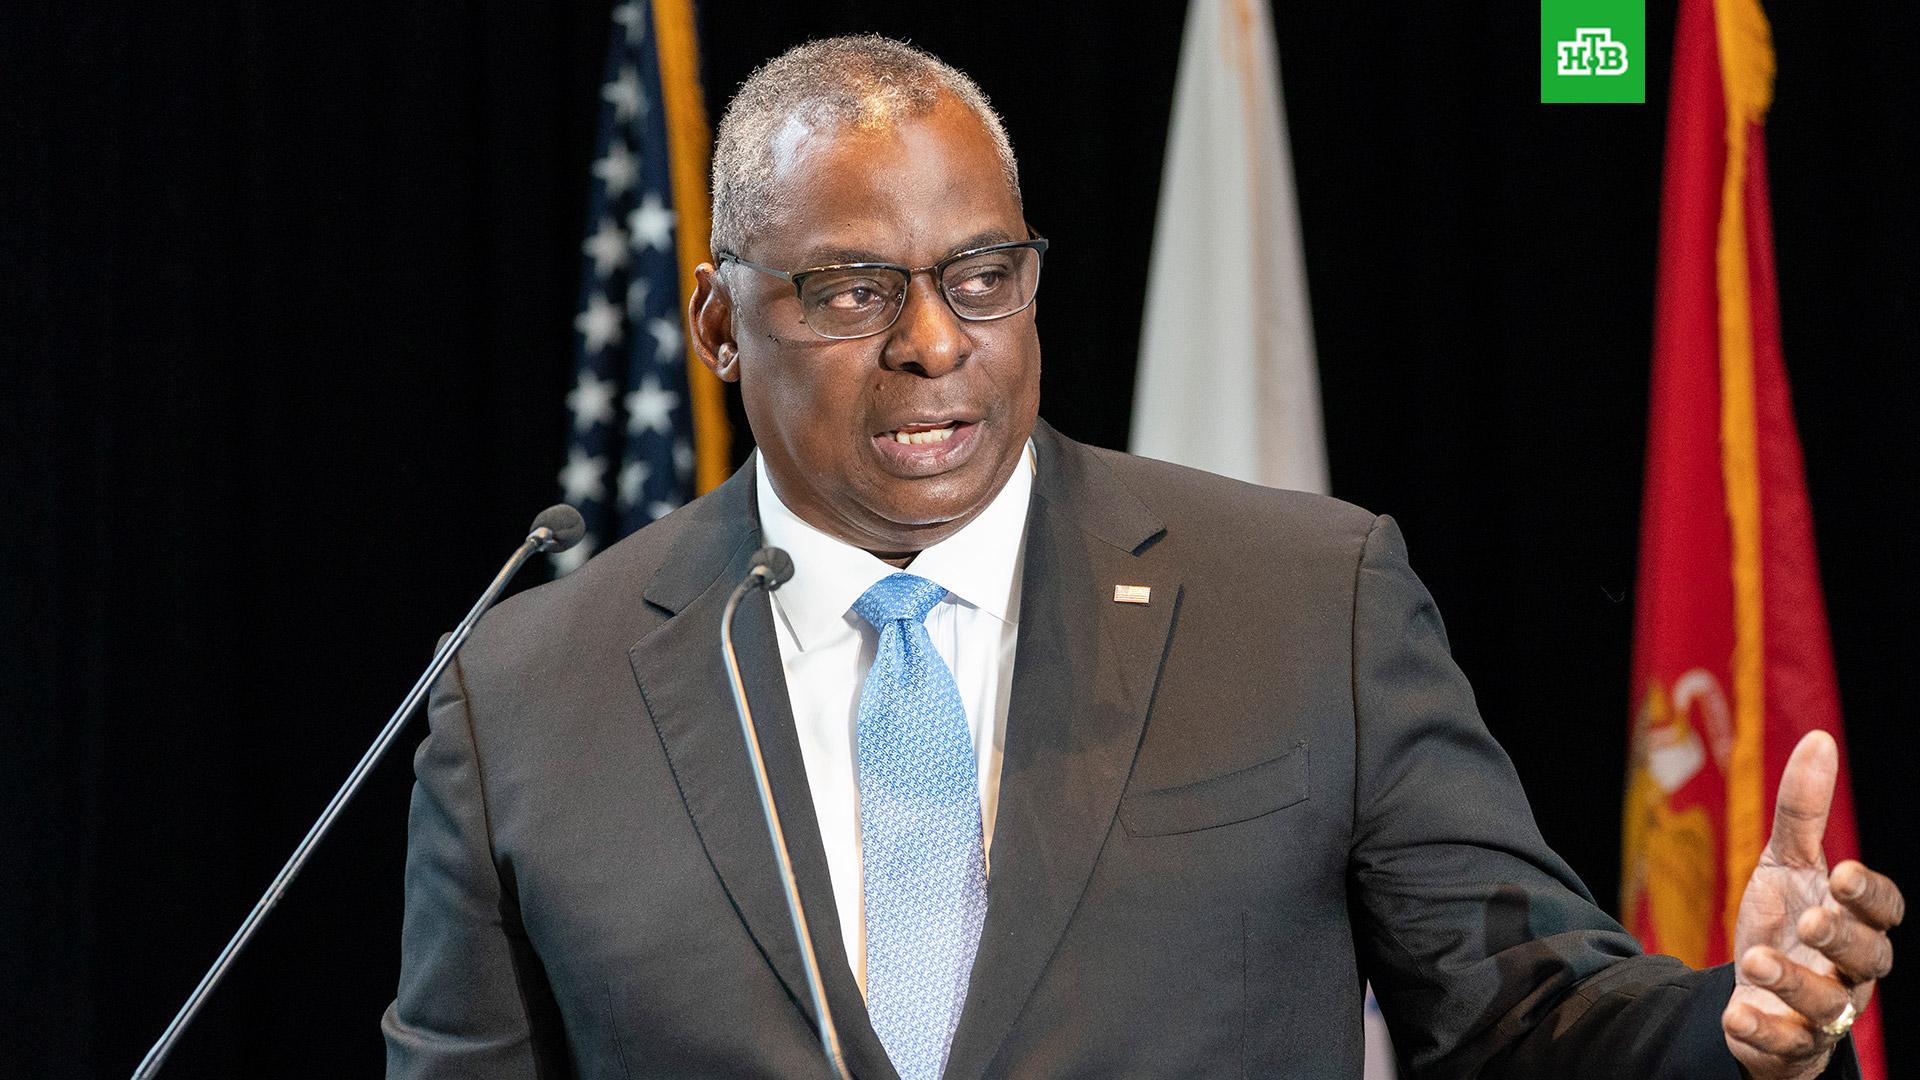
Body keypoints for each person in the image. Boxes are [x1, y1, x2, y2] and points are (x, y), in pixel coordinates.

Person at [383, 35, 1902, 1080]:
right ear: (719, 324)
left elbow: (1524, 1014)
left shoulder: (1302, 603)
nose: (935, 344)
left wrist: (1733, 1028)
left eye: (984, 276)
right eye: (852, 293)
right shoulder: (529, 697)